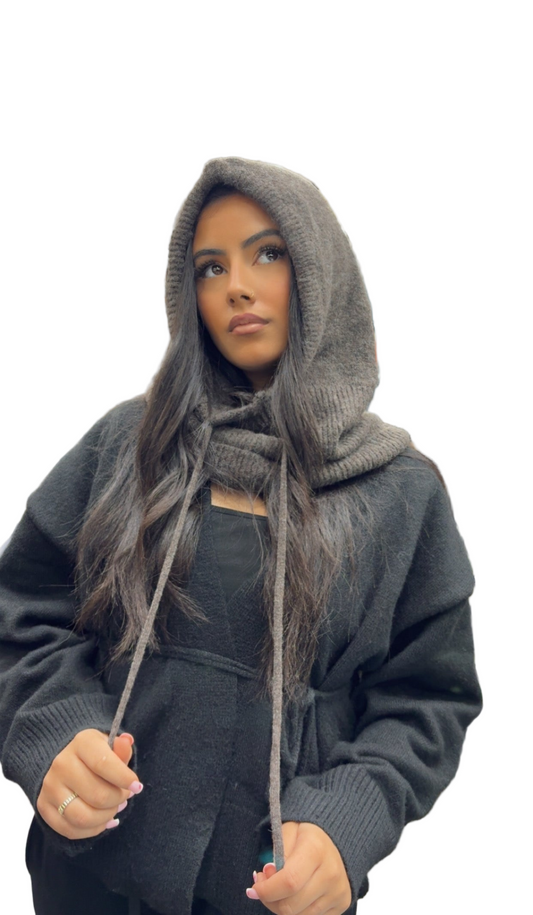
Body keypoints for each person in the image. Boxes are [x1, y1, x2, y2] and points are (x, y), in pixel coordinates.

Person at [0, 156, 482, 915]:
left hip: (273, 893)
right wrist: (54, 732)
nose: (236, 287)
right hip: (89, 880)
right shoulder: (127, 446)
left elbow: (427, 698)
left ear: (321, 272)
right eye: (210, 267)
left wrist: (348, 820)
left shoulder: (400, 492)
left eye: (268, 254)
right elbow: (21, 614)